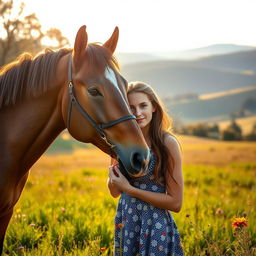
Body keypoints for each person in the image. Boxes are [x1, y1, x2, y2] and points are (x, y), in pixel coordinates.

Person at [108, 81, 184, 256]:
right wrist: (113, 179)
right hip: (126, 224)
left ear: (154, 107)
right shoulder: (120, 142)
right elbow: (114, 192)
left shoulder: (167, 144)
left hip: (155, 226)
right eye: (131, 108)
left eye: (143, 106)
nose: (138, 113)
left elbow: (176, 202)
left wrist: (129, 189)